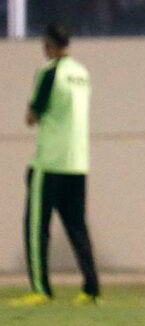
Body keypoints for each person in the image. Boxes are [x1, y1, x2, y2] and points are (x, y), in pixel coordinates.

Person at [10, 24, 100, 307]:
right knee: (77, 227)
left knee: (37, 227)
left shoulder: (50, 72)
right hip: (77, 162)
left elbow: (32, 116)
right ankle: (91, 288)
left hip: (49, 163)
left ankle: (40, 288)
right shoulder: (82, 73)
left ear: (48, 44)